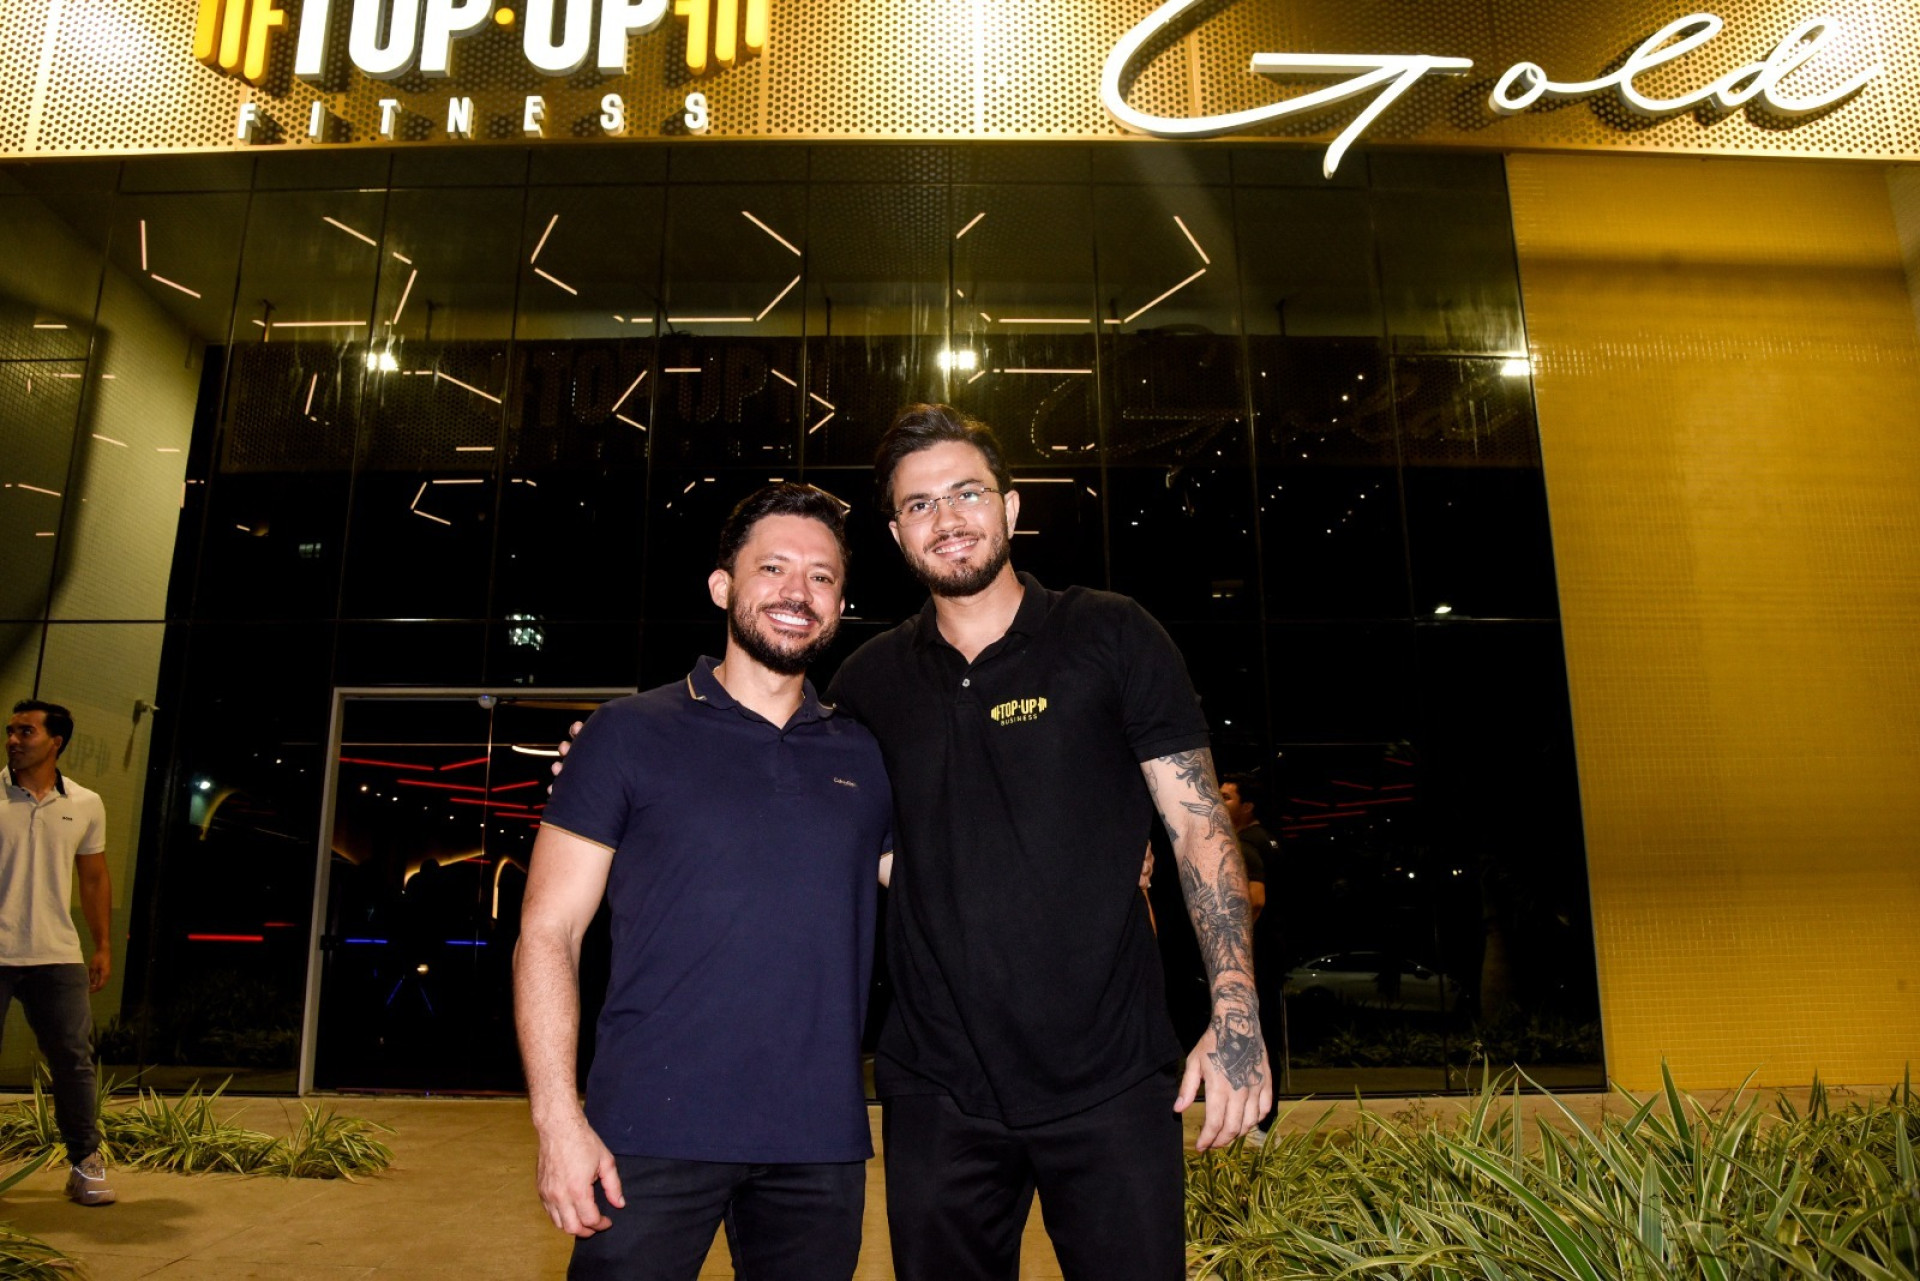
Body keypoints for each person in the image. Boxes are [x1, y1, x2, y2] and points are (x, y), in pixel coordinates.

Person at [825, 404, 1271, 1281]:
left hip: (1113, 1078)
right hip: (937, 1085)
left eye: (967, 492)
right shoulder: (867, 683)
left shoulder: (1110, 633)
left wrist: (1236, 1011)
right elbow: (821, 826)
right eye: (919, 504)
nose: (947, 518)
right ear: (896, 532)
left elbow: (1196, 823)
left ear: (1012, 507)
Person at [515, 484, 892, 1281]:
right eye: (773, 567)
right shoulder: (625, 733)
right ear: (723, 586)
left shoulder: (866, 754)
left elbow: (952, 878)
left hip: (818, 1146)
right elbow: (549, 932)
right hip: (643, 1136)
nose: (798, 591)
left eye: (821, 576)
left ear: (840, 603)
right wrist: (557, 1119)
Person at [2, 699, 115, 1207]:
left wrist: (102, 944)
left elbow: (93, 879)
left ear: (56, 741)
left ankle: (86, 1164)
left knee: (74, 1061)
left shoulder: (86, 803)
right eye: (10, 731)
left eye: (25, 731)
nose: (13, 740)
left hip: (57, 953)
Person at [1221, 774, 1276, 924]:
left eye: (1226, 798)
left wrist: (1235, 932)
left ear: (1247, 807)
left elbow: (1256, 901)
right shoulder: (1266, 837)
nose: (1218, 803)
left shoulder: (1244, 843)